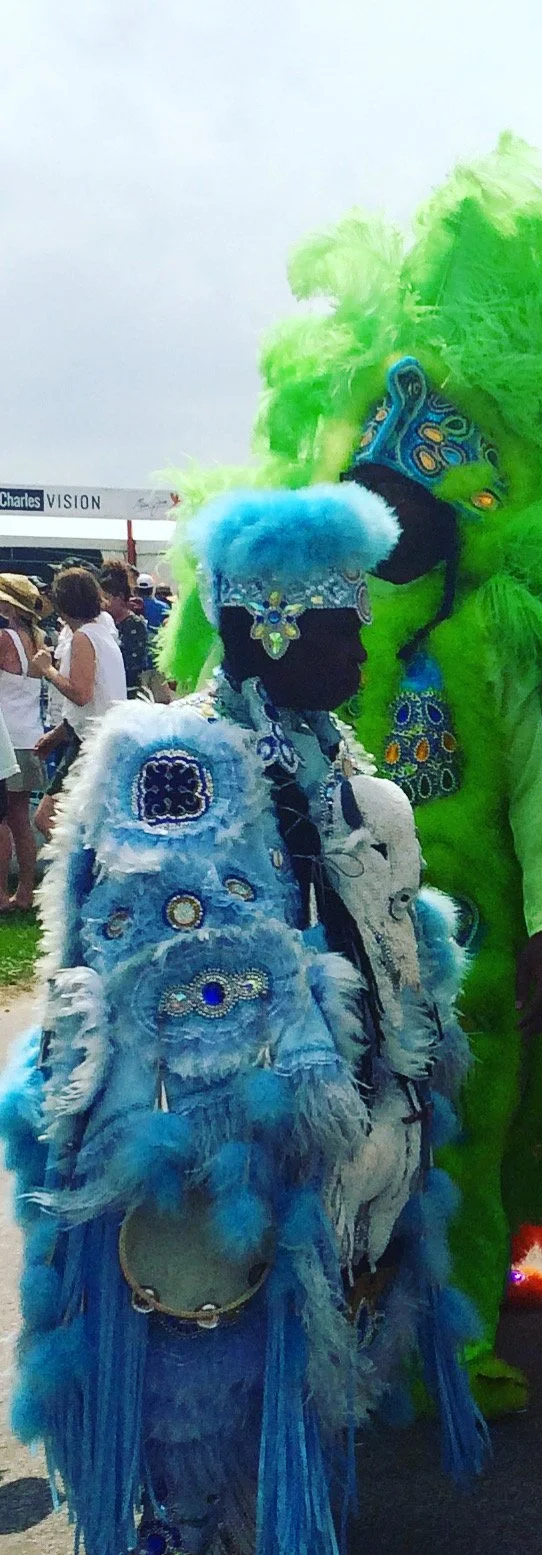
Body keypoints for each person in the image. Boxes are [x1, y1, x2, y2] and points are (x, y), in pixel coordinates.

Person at [161, 137, 542, 1417]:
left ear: (454, 512)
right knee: (349, 1131)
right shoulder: (323, 626)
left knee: (473, 1122)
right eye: (372, 501)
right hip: (338, 936)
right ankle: (343, 1313)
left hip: (481, 935)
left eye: (410, 505)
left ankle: (461, 1330)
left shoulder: (505, 625)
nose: (390, 529)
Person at [1, 484, 485, 1555]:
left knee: (309, 1372)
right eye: (342, 625)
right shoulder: (174, 761)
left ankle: (259, 1518)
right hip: (221, 1149)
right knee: (206, 1385)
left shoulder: (326, 751)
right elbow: (161, 973)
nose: (362, 647)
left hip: (332, 1137)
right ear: (269, 628)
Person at [31, 568, 126, 838]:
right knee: (80, 821)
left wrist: (48, 670)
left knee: (48, 819)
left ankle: (80, 864)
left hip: (89, 743)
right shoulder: (102, 632)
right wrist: (56, 735)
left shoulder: (83, 638)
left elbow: (82, 695)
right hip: (97, 738)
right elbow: (97, 700)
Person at [0, 574, 50, 909]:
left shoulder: (4, 638)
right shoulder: (38, 638)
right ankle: (26, 890)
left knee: (3, 820)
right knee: (20, 819)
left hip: (7, 737)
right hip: (31, 735)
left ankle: (2, 893)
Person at [100, 560, 170, 703]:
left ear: (119, 597)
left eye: (107, 598)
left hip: (131, 694)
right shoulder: (103, 622)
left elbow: (131, 667)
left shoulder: (135, 625)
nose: (103, 604)